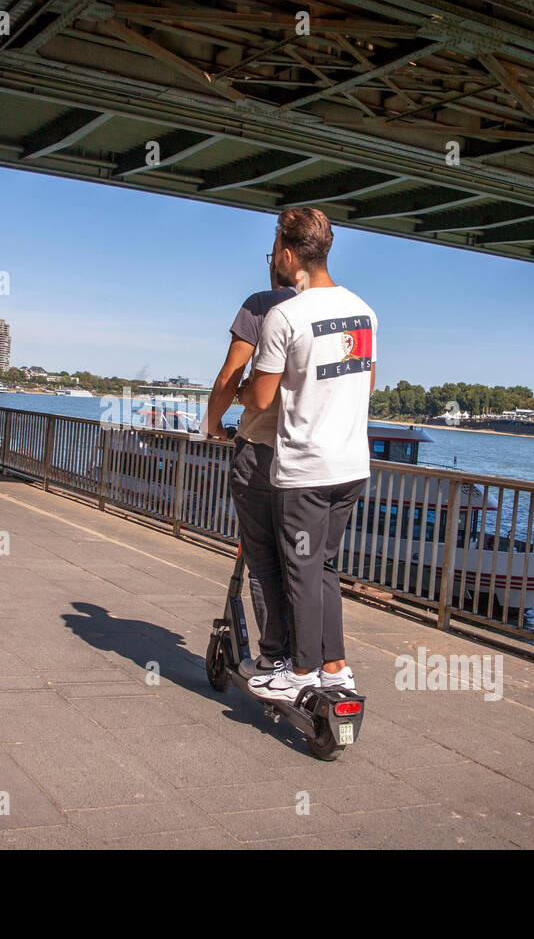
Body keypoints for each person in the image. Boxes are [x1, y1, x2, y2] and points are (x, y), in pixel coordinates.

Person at [240, 208, 376, 702]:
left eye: (276, 247)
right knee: (324, 568)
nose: (274, 256)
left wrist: (240, 392)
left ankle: (298, 674)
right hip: (351, 468)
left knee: (299, 570)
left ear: (289, 254)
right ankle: (336, 670)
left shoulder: (285, 315)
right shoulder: (364, 311)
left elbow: (260, 399)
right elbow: (366, 384)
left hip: (304, 471)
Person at [203, 268, 297, 677]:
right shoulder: (333, 311)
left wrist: (213, 424)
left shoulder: (262, 304)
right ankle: (310, 658)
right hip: (311, 457)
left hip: (260, 449)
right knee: (306, 563)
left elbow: (230, 375)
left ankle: (276, 657)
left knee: (262, 559)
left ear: (283, 257)